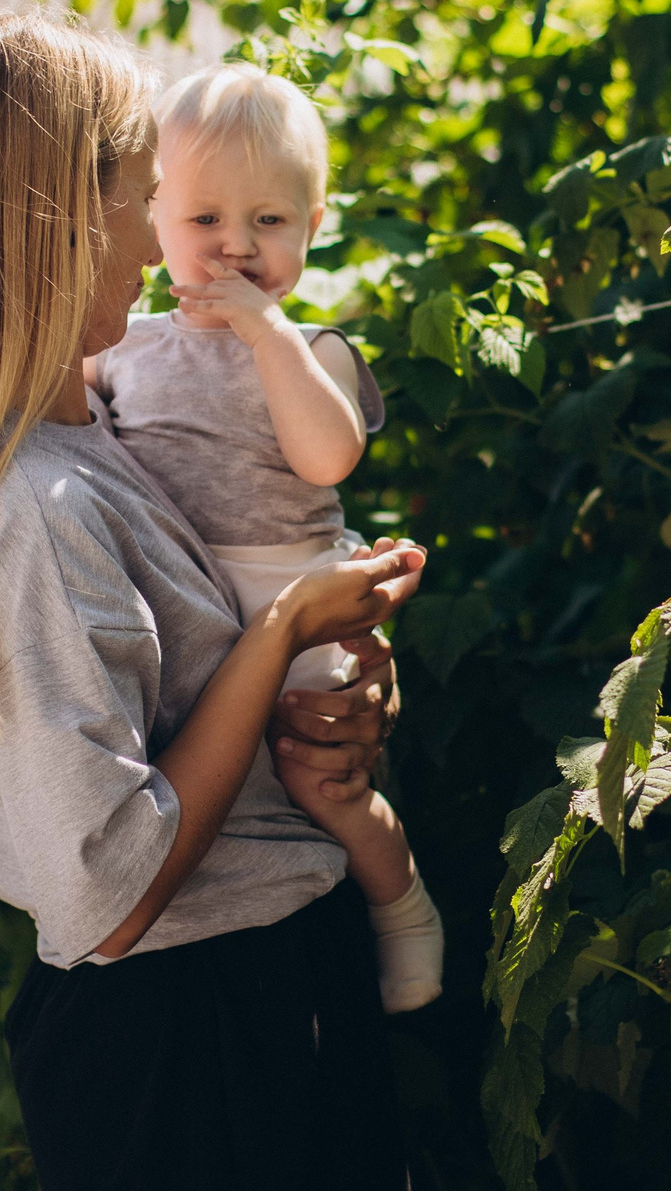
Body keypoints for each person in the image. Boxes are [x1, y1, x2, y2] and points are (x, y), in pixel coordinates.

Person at [0, 9, 425, 1191]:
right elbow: (105, 894)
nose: (162, 224)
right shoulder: (36, 510)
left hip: (254, 988)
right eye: (136, 185)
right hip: (190, 1036)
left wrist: (337, 681)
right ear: (53, 218)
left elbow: (202, 676)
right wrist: (281, 634)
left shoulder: (104, 438)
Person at [89, 62, 444, 1012]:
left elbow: (329, 456)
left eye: (269, 220)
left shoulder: (314, 349)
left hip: (302, 598)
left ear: (312, 226)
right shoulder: (123, 346)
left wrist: (268, 335)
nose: (237, 245)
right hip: (185, 603)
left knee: (323, 778)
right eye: (205, 218)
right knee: (199, 776)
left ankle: (403, 906)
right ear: (154, 220)